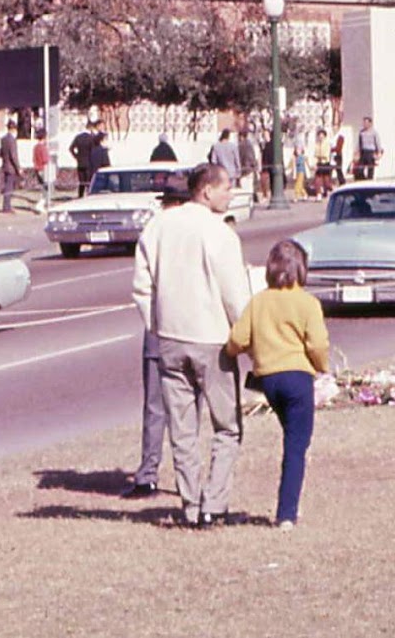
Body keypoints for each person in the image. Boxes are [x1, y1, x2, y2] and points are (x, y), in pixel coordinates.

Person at [131, 160, 249, 526]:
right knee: (227, 427)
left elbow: (141, 285)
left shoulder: (159, 225)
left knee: (182, 429)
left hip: (169, 338)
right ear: (207, 190)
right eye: (227, 186)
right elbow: (235, 294)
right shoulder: (220, 233)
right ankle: (214, 503)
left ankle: (191, 504)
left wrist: (158, 325)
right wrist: (243, 334)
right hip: (212, 340)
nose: (231, 193)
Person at [226, 239, 329, 529]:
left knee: (290, 437)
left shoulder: (259, 301)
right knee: (296, 446)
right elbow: (318, 344)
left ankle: (289, 504)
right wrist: (322, 367)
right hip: (298, 377)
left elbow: (237, 339)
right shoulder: (308, 303)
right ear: (302, 269)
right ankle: (287, 512)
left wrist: (239, 353)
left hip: (269, 380)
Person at [126, 170, 189, 498]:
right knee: (187, 406)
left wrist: (153, 324)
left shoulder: (154, 230)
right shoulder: (202, 229)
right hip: (196, 328)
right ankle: (187, 477)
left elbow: (142, 287)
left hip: (161, 327)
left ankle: (148, 473)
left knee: (155, 406)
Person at [0, 118, 22, 214]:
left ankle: (6, 205)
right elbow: (13, 155)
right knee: (9, 187)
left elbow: (1, 152)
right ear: (14, 129)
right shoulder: (12, 140)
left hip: (5, 165)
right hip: (11, 167)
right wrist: (18, 167)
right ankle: (7, 206)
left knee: (7, 186)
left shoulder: (3, 139)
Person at [71, 125, 103, 197]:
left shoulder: (78, 137)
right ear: (90, 128)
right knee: (89, 181)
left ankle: (80, 196)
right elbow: (94, 150)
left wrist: (77, 157)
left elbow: (71, 148)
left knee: (81, 182)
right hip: (89, 162)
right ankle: (89, 195)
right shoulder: (91, 138)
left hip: (80, 163)